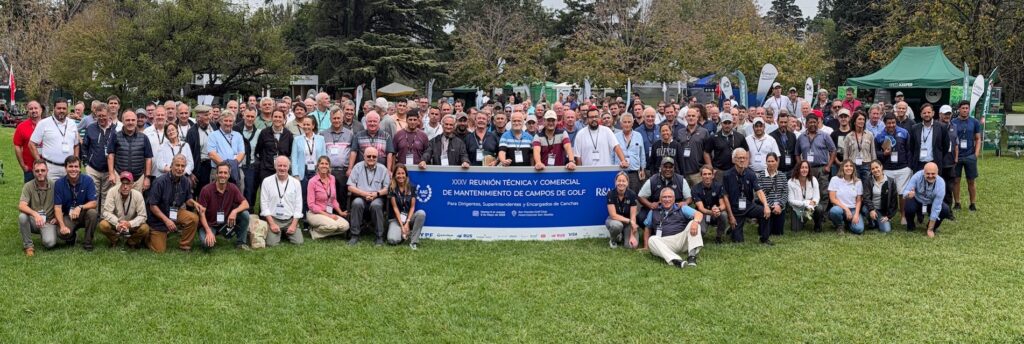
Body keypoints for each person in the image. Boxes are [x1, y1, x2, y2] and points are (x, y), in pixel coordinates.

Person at [146, 155, 200, 252]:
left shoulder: (185, 181)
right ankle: (148, 236)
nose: (180, 169)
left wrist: (195, 203)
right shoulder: (160, 182)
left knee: (193, 218)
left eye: (182, 166)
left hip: (174, 212)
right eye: (177, 165)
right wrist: (167, 221)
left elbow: (188, 199)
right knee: (159, 250)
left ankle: (185, 246)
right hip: (158, 218)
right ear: (171, 166)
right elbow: (152, 206)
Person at [197, 162, 251, 251]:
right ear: (216, 174)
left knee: (245, 214)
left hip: (225, 221)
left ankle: (241, 243)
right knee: (207, 245)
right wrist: (208, 231)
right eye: (220, 172)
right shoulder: (206, 190)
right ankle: (211, 235)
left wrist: (234, 211)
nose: (223, 175)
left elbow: (246, 204)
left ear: (229, 175)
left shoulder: (232, 187)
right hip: (209, 224)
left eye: (225, 173)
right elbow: (201, 214)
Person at [723, 148, 773, 245]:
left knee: (764, 212)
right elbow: (725, 197)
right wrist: (730, 216)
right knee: (738, 242)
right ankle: (732, 230)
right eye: (739, 158)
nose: (742, 160)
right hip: (735, 209)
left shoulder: (750, 173)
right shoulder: (727, 175)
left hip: (749, 206)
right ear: (733, 160)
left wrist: (766, 206)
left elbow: (759, 190)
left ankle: (764, 239)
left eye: (744, 158)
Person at [645, 188, 703, 268]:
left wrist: (695, 222)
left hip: (681, 240)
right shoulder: (653, 211)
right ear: (660, 199)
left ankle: (692, 257)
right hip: (665, 242)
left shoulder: (681, 207)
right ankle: (676, 260)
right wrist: (645, 246)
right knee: (652, 239)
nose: (667, 199)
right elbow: (647, 227)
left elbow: (699, 214)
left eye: (670, 197)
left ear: (674, 198)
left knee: (694, 223)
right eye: (664, 197)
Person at [53, 156, 99, 250]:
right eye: (70, 166)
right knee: (62, 234)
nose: (73, 169)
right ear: (65, 168)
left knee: (93, 213)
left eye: (76, 166)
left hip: (83, 213)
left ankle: (88, 242)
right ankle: (71, 236)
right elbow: (57, 207)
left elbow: (94, 203)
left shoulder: (88, 180)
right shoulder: (59, 183)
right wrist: (62, 226)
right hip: (68, 215)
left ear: (79, 168)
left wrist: (80, 207)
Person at [347, 147, 391, 246]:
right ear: (364, 156)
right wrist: (364, 194)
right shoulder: (357, 167)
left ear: (377, 157)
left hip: (377, 197)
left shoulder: (383, 169)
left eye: (374, 156)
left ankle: (379, 237)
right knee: (357, 203)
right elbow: (350, 187)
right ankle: (354, 235)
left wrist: (377, 194)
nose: (371, 158)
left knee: (376, 205)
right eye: (369, 156)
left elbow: (387, 188)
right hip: (361, 196)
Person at [31, 98, 80, 182]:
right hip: (51, 168)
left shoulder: (72, 123)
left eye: (64, 108)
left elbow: (76, 145)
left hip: (69, 168)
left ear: (67, 109)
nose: (61, 110)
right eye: (59, 108)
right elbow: (32, 144)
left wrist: (75, 163)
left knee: (69, 193)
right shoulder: (44, 123)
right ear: (53, 109)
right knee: (51, 193)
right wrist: (39, 162)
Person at [97, 171, 150, 249]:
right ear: (119, 183)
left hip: (131, 225)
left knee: (145, 228)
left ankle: (131, 241)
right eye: (123, 183)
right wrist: (118, 223)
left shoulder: (138, 195)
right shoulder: (112, 191)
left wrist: (130, 224)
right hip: (116, 224)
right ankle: (115, 239)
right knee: (103, 225)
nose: (125, 187)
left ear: (132, 184)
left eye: (128, 184)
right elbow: (106, 212)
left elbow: (143, 216)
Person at [260, 156, 305, 246]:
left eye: (285, 166)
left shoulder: (296, 183)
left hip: (290, 220)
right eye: (279, 165)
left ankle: (285, 231)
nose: (282, 168)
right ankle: (279, 231)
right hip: (274, 219)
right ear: (275, 166)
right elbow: (264, 204)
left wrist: (294, 224)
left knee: (299, 242)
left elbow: (298, 205)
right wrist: (272, 224)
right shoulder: (267, 181)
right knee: (271, 243)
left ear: (289, 167)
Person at [106, 111, 154, 192]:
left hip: (138, 179)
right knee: (119, 202)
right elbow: (111, 155)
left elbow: (148, 158)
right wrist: (111, 174)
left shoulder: (144, 138)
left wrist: (147, 177)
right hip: (119, 177)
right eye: (127, 120)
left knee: (136, 203)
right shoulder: (115, 136)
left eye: (133, 120)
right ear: (123, 121)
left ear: (136, 121)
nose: (130, 122)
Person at [17, 161, 57, 255]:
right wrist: (35, 214)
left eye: (43, 170)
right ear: (33, 172)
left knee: (49, 243)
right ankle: (29, 246)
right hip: (34, 220)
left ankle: (47, 235)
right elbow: (21, 205)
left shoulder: (55, 185)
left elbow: (62, 204)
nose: (40, 173)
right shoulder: (28, 186)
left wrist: (57, 217)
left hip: (48, 221)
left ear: (47, 171)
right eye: (37, 171)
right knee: (22, 217)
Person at [902, 162, 951, 238]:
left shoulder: (941, 183)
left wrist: (930, 229)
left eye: (933, 174)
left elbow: (936, 208)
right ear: (923, 172)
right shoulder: (917, 176)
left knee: (945, 210)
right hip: (917, 200)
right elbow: (905, 192)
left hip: (931, 203)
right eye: (928, 174)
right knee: (909, 207)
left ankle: (931, 227)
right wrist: (909, 194)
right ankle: (911, 226)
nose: (930, 176)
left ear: (937, 173)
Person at [306, 156, 350, 240]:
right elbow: (311, 205)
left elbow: (333, 199)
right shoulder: (312, 181)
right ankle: (314, 232)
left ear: (329, 166)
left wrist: (340, 212)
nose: (324, 166)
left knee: (345, 226)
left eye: (326, 164)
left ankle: (322, 231)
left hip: (328, 213)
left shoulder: (332, 179)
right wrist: (328, 216)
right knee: (333, 226)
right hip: (315, 213)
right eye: (322, 163)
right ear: (318, 165)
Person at [290, 116, 326, 216]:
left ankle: (316, 215)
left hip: (316, 170)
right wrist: (295, 174)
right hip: (303, 170)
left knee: (316, 194)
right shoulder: (297, 139)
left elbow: (324, 156)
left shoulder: (321, 139)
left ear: (313, 125)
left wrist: (323, 171)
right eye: (304, 124)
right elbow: (294, 158)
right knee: (304, 194)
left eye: (308, 124)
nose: (306, 127)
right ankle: (304, 217)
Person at [81, 103, 117, 201]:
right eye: (99, 116)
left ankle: (103, 216)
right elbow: (84, 146)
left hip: (109, 169)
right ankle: (93, 216)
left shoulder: (115, 129)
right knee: (93, 195)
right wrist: (85, 163)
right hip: (93, 168)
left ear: (109, 115)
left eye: (104, 116)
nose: (101, 118)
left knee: (107, 196)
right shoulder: (91, 128)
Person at [950, 100, 981, 211]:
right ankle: (957, 203)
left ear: (969, 109)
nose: (965, 110)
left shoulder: (974, 122)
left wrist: (976, 154)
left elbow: (978, 139)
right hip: (957, 156)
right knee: (956, 180)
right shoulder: (953, 122)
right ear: (959, 109)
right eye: (963, 108)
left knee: (971, 181)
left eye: (967, 108)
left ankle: (972, 203)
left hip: (970, 156)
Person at [386, 165, 426, 248]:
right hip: (395, 219)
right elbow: (395, 208)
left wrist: (407, 223)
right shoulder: (391, 188)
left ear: (406, 175)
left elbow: (412, 207)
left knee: (421, 213)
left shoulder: (412, 187)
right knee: (392, 240)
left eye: (403, 173)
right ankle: (404, 233)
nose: (400, 176)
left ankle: (413, 241)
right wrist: (402, 226)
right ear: (394, 175)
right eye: (398, 173)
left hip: (408, 218)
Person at [322, 107, 353, 211]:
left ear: (342, 118)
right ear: (330, 119)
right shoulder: (323, 134)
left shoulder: (350, 134)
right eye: (334, 118)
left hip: (343, 172)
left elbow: (353, 153)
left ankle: (343, 220)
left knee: (342, 196)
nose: (336, 120)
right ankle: (330, 219)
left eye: (338, 118)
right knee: (328, 196)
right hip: (328, 171)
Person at [691, 165, 729, 244]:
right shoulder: (695, 189)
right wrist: (712, 212)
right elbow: (701, 208)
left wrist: (718, 209)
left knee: (724, 215)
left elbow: (723, 205)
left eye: (709, 174)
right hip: (702, 214)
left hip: (715, 213)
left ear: (713, 175)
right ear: (701, 176)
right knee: (702, 232)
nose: (707, 176)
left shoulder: (719, 186)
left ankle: (719, 237)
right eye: (704, 174)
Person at [908, 104, 950, 172]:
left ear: (933, 113)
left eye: (929, 112)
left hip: (934, 163)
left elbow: (946, 146)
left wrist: (939, 157)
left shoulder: (941, 127)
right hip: (919, 164)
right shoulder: (915, 128)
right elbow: (911, 147)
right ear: (921, 114)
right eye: (924, 113)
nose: (926, 114)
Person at [674, 108, 710, 186]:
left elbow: (707, 151)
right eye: (689, 116)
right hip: (683, 172)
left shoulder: (704, 132)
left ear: (697, 118)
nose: (691, 118)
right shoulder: (680, 132)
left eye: (693, 116)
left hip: (697, 172)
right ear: (685, 118)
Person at [705, 113, 747, 181]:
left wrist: (745, 166)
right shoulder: (714, 137)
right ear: (721, 124)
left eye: (729, 123)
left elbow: (746, 151)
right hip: (719, 171)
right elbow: (706, 152)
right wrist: (711, 168)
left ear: (732, 123)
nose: (727, 125)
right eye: (725, 123)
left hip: (736, 170)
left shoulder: (740, 136)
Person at [827, 160, 865, 234]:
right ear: (842, 168)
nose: (849, 168)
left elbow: (859, 200)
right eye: (846, 166)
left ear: (853, 169)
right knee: (835, 211)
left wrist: (856, 214)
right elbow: (832, 199)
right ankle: (840, 225)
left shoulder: (858, 182)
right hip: (840, 208)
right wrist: (846, 209)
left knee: (859, 229)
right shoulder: (835, 179)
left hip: (853, 209)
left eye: (851, 166)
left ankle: (847, 223)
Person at [185, 105, 215, 195]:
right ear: (198, 118)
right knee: (201, 192)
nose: (208, 117)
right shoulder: (192, 132)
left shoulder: (214, 127)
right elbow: (188, 153)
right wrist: (191, 173)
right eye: (205, 115)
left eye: (208, 114)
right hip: (201, 167)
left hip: (214, 165)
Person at [788, 160, 826, 232]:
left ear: (809, 169)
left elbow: (816, 196)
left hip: (810, 207)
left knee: (819, 208)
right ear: (798, 169)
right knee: (795, 229)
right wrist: (805, 203)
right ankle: (803, 219)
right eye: (802, 167)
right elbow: (790, 200)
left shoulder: (813, 179)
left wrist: (814, 202)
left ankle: (817, 226)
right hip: (797, 208)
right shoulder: (791, 181)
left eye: (806, 167)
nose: (804, 170)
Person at [862, 160, 898, 233]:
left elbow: (894, 201)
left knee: (886, 230)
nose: (875, 170)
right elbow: (866, 197)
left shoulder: (890, 181)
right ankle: (871, 221)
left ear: (881, 167)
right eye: (873, 169)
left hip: (883, 210)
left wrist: (889, 216)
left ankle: (877, 221)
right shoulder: (868, 181)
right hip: (872, 208)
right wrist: (871, 209)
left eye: (877, 167)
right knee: (865, 209)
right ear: (871, 170)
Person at [605, 172, 639, 249]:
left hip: (628, 223)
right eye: (619, 181)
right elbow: (613, 215)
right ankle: (613, 240)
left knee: (632, 246)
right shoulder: (610, 194)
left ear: (627, 183)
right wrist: (630, 221)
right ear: (615, 182)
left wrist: (632, 235)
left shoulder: (632, 194)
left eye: (623, 181)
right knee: (617, 225)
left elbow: (633, 216)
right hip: (614, 220)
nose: (621, 183)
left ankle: (622, 235)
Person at [758, 153, 788, 236]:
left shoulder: (782, 175)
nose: (771, 163)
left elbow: (785, 193)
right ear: (766, 162)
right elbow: (761, 193)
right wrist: (771, 205)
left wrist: (779, 205)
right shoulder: (761, 176)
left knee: (778, 233)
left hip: (780, 207)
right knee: (766, 232)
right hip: (767, 206)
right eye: (768, 161)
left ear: (777, 162)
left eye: (772, 161)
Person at [614, 113, 646, 191]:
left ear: (632, 123)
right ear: (621, 124)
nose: (627, 124)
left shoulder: (638, 135)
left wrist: (643, 169)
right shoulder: (615, 136)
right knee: (620, 193)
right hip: (619, 171)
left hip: (634, 171)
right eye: (625, 122)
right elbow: (612, 154)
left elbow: (642, 154)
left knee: (633, 194)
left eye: (629, 122)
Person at [14, 101, 44, 182]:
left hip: (47, 167)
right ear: (28, 111)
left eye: (36, 108)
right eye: (31, 109)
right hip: (30, 168)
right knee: (30, 193)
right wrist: (23, 166)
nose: (34, 110)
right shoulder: (21, 126)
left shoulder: (48, 125)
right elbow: (17, 146)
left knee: (48, 192)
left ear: (41, 110)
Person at [843, 111, 876, 182]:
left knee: (867, 186)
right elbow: (845, 155)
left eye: (863, 119)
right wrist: (845, 167)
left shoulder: (869, 135)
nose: (862, 121)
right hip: (853, 165)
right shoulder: (848, 136)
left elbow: (873, 152)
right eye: (860, 119)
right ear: (854, 121)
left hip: (867, 164)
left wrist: (874, 165)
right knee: (855, 186)